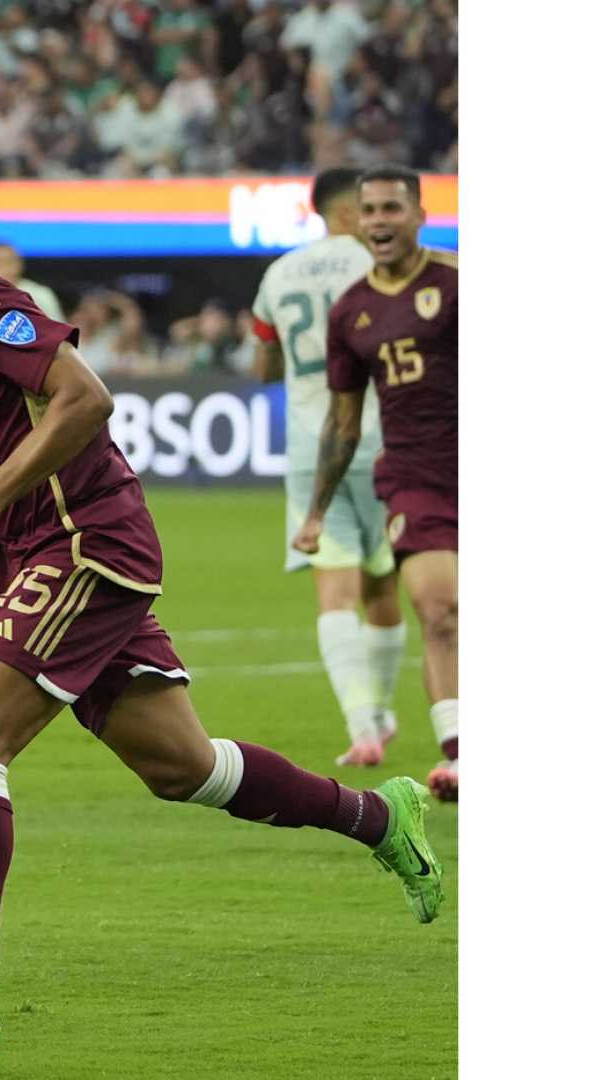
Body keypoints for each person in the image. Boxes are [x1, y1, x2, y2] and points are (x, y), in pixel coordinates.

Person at [0, 111, 444, 1064]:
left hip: (79, 543)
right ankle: (383, 817)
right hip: (37, 550)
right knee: (184, 768)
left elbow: (85, 396)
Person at [295, 165, 457, 801]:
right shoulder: (353, 311)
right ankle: (458, 755)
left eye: (393, 208)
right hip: (416, 477)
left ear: (420, 214)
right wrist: (316, 512)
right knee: (438, 610)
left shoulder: (456, 283)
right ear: (357, 221)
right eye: (370, 211)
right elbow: (342, 424)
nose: (380, 222)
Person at [250, 167, 406, 766]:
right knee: (383, 583)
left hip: (312, 448)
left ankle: (362, 727)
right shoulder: (380, 268)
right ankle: (384, 709)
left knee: (334, 592)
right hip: (388, 438)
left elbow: (264, 366)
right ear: (350, 213)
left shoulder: (279, 273)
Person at [0, 241, 64, 323]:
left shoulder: (41, 294)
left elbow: (61, 332)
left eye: (9, 262)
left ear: (20, 265)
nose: (5, 267)